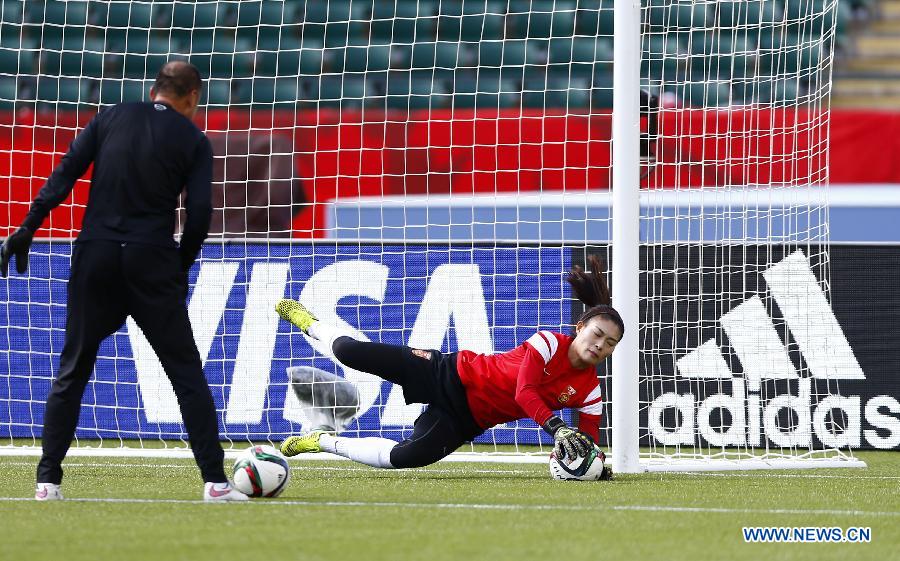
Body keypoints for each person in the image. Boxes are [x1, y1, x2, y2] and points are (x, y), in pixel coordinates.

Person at [0, 61, 247, 502]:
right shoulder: (193, 139)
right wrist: (180, 266)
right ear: (191, 96)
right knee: (186, 374)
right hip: (150, 261)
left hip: (95, 254)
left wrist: (26, 228)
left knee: (73, 369)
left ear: (155, 89)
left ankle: (47, 481)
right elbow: (201, 214)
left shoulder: (110, 117)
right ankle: (214, 482)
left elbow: (64, 176)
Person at [275, 255, 620, 478]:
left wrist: (590, 464)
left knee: (406, 457)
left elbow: (588, 443)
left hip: (466, 419)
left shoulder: (590, 392)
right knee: (353, 354)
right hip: (447, 372)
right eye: (597, 334)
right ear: (580, 328)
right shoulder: (547, 343)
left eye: (610, 343)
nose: (600, 345)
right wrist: (559, 429)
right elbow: (524, 391)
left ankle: (320, 441)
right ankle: (311, 323)